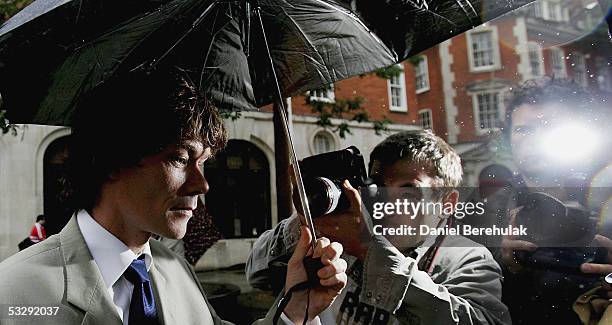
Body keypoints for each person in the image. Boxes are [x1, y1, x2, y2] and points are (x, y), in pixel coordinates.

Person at [0, 69, 347, 325]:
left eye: (205, 163)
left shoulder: (174, 267)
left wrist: (296, 308)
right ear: (111, 159)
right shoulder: (13, 293)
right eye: (180, 159)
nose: (202, 185)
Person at [247, 130, 511, 325]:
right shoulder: (345, 241)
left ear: (447, 202)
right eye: (379, 190)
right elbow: (255, 275)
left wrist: (371, 251)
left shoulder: (468, 257)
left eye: (409, 192)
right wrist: (308, 222)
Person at [499, 78, 612, 324]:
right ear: (508, 139)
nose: (536, 138)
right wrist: (503, 267)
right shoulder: (488, 211)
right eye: (524, 129)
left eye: (552, 127)